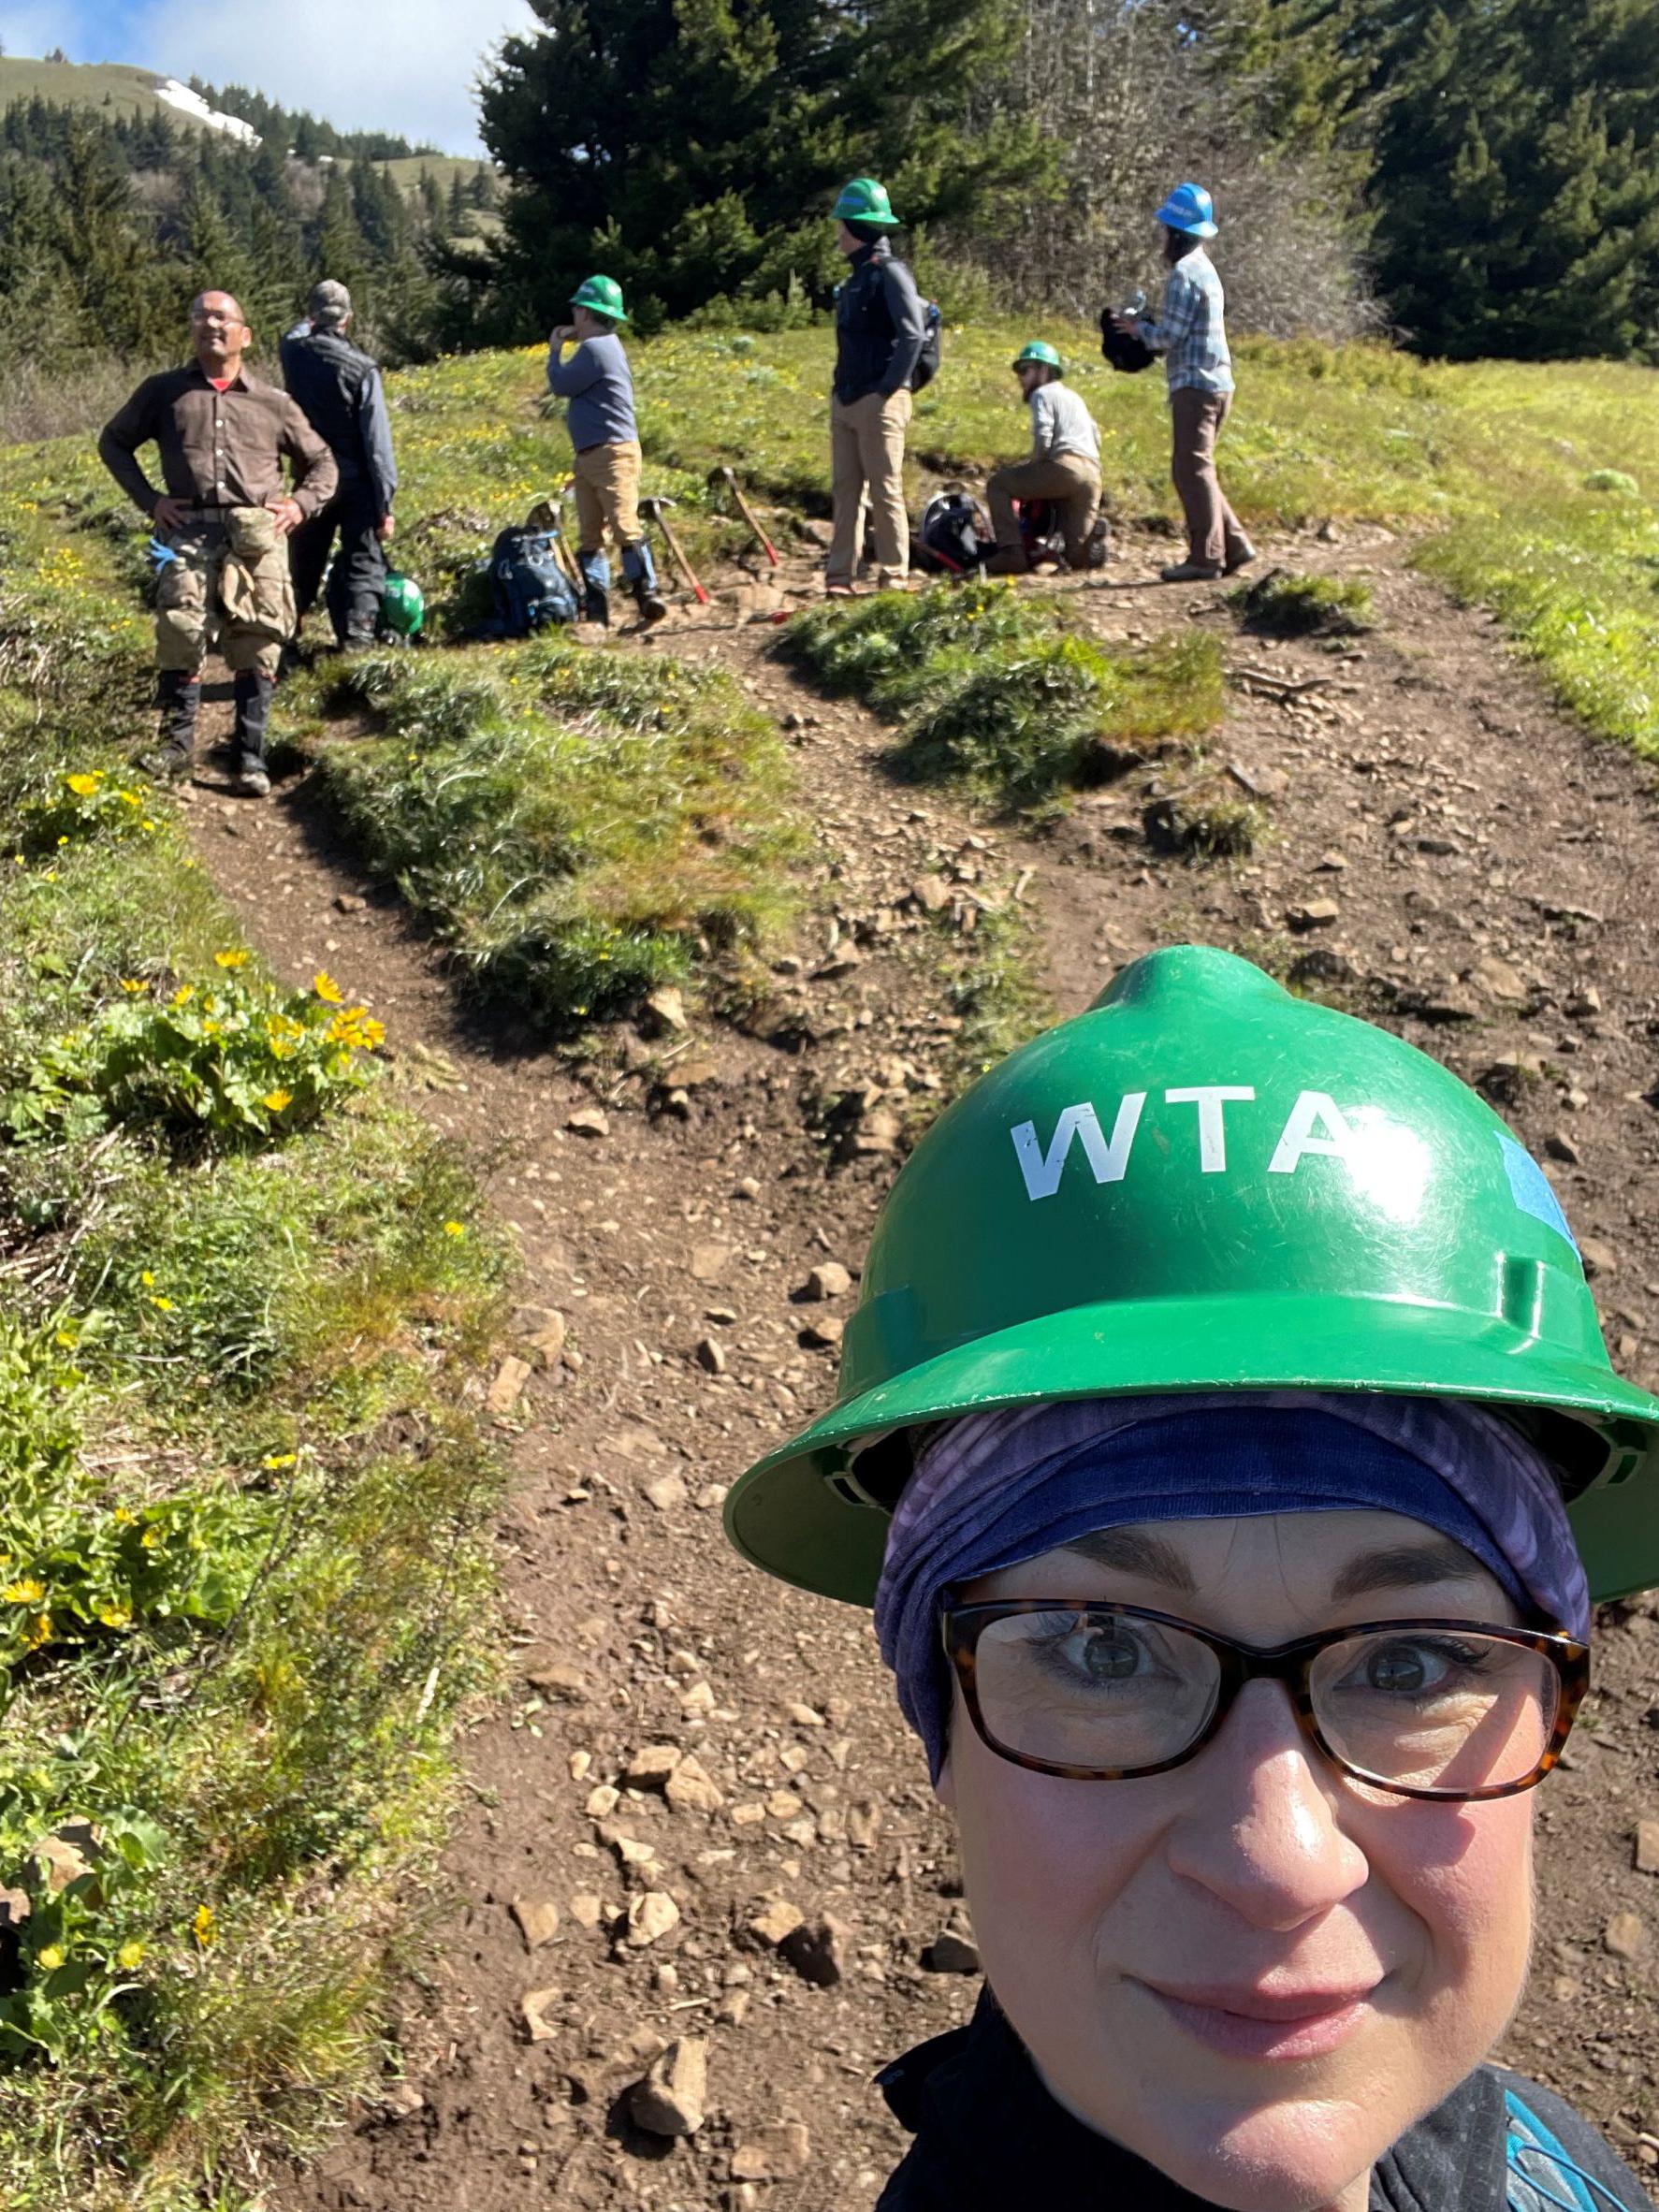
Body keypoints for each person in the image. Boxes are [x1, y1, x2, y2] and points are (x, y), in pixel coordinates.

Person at [725, 942, 1659, 2212]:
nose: (1278, 1860)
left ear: (1553, 1699)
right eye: (1103, 1646)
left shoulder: (1550, 2162)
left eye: (1410, 1661)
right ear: (942, 1725)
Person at [98, 289, 337, 797]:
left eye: (222, 317)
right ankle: (174, 749)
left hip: (257, 536)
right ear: (191, 329)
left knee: (259, 638)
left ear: (244, 335)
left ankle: (250, 758)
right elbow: (113, 442)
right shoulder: (162, 392)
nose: (211, 323)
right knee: (180, 632)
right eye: (201, 315)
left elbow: (323, 463)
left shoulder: (274, 403)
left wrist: (299, 505)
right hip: (186, 529)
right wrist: (149, 501)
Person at [1113, 184, 1257, 585]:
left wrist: (1136, 327)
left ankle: (1205, 558)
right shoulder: (1204, 269)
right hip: (1218, 381)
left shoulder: (1182, 274)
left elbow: (1169, 338)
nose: (1161, 239)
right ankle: (1235, 543)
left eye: (1165, 231)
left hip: (1195, 384)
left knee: (1190, 470)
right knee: (1199, 468)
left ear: (1176, 233)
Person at [280, 279, 399, 652]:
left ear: (312, 316)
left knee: (303, 558)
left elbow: (294, 332)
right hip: (357, 480)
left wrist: (308, 322)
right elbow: (377, 445)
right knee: (363, 560)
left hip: (311, 478)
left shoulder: (293, 352)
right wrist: (385, 504)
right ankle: (358, 638)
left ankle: (285, 632)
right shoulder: (363, 369)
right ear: (348, 318)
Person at [545, 276, 666, 626]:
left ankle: (645, 593)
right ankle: (600, 606)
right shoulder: (605, 347)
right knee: (591, 531)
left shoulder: (596, 350)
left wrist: (555, 349)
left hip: (611, 452)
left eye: (576, 309)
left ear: (585, 313)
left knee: (622, 524)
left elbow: (560, 384)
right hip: (592, 454)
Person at [826, 177, 926, 598]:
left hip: (878, 400)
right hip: (846, 398)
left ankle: (893, 575)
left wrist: (888, 389)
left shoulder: (891, 273)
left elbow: (913, 335)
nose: (837, 234)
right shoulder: (854, 280)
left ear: (854, 228)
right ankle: (839, 577)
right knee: (846, 490)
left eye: (841, 225)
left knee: (885, 488)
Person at [984, 342, 1103, 575]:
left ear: (1044, 370)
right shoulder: (1074, 398)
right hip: (1092, 473)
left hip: (1064, 466)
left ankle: (1011, 553)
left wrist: (1036, 464)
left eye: (1025, 370)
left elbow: (1044, 433)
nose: (1020, 378)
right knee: (1075, 556)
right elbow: (1096, 434)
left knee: (997, 484)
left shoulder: (1042, 394)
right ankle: (1091, 545)